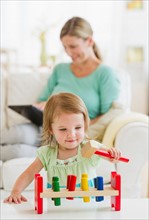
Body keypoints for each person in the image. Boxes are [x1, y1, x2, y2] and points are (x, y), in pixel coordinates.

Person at [4, 92, 121, 204]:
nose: (71, 134)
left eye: (78, 127)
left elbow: (110, 157)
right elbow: (29, 174)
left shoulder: (90, 147)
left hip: (87, 206)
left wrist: (113, 154)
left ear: (85, 125)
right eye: (63, 129)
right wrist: (16, 192)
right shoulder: (47, 154)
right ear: (51, 129)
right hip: (56, 207)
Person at [34, 16, 122, 142]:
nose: (69, 52)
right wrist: (42, 105)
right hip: (45, 128)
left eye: (73, 46)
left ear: (89, 41)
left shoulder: (105, 74)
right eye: (65, 47)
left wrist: (76, 128)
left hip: (69, 137)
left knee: (18, 151)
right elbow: (42, 100)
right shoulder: (60, 69)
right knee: (18, 134)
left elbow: (107, 115)